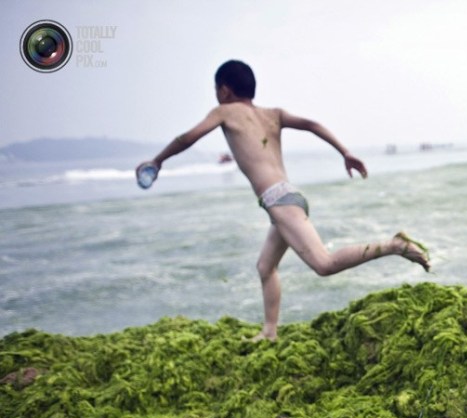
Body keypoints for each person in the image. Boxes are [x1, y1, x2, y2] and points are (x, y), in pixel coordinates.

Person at [137, 60, 430, 341]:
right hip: (289, 196)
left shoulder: (223, 112)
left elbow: (187, 138)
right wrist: (345, 152)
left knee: (324, 264)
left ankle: (394, 245)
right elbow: (312, 124)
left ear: (224, 90)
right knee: (266, 267)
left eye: (217, 89)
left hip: (279, 201)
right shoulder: (273, 114)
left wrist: (158, 160)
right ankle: (270, 332)